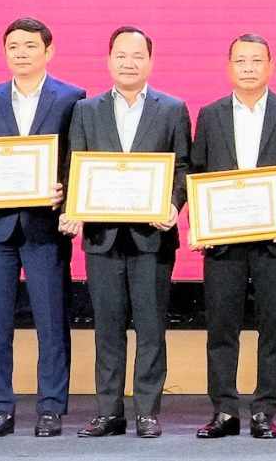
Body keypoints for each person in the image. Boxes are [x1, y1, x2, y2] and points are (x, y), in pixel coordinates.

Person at [62, 26, 190, 439]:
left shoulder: (172, 109)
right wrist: (74, 209)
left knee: (151, 327)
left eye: (137, 56)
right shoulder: (87, 110)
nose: (128, 62)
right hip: (102, 237)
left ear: (150, 61)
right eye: (121, 55)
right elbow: (76, 165)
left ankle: (148, 411)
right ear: (109, 59)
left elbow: (184, 167)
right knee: (108, 328)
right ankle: (108, 411)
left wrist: (173, 203)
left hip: (152, 238)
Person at [189, 33, 276, 439]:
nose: (248, 68)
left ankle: (264, 411)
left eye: (255, 60)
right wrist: (202, 221)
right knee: (221, 327)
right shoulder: (209, 115)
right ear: (228, 68)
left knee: (274, 326)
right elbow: (198, 173)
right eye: (240, 61)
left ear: (270, 66)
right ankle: (224, 410)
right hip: (223, 241)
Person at [0, 17, 85, 438]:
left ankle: (51, 407)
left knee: (52, 322)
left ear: (48, 51)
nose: (21, 53)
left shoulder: (73, 98)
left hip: (45, 226)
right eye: (13, 46)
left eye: (30, 46)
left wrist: (66, 193)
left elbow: (79, 159)